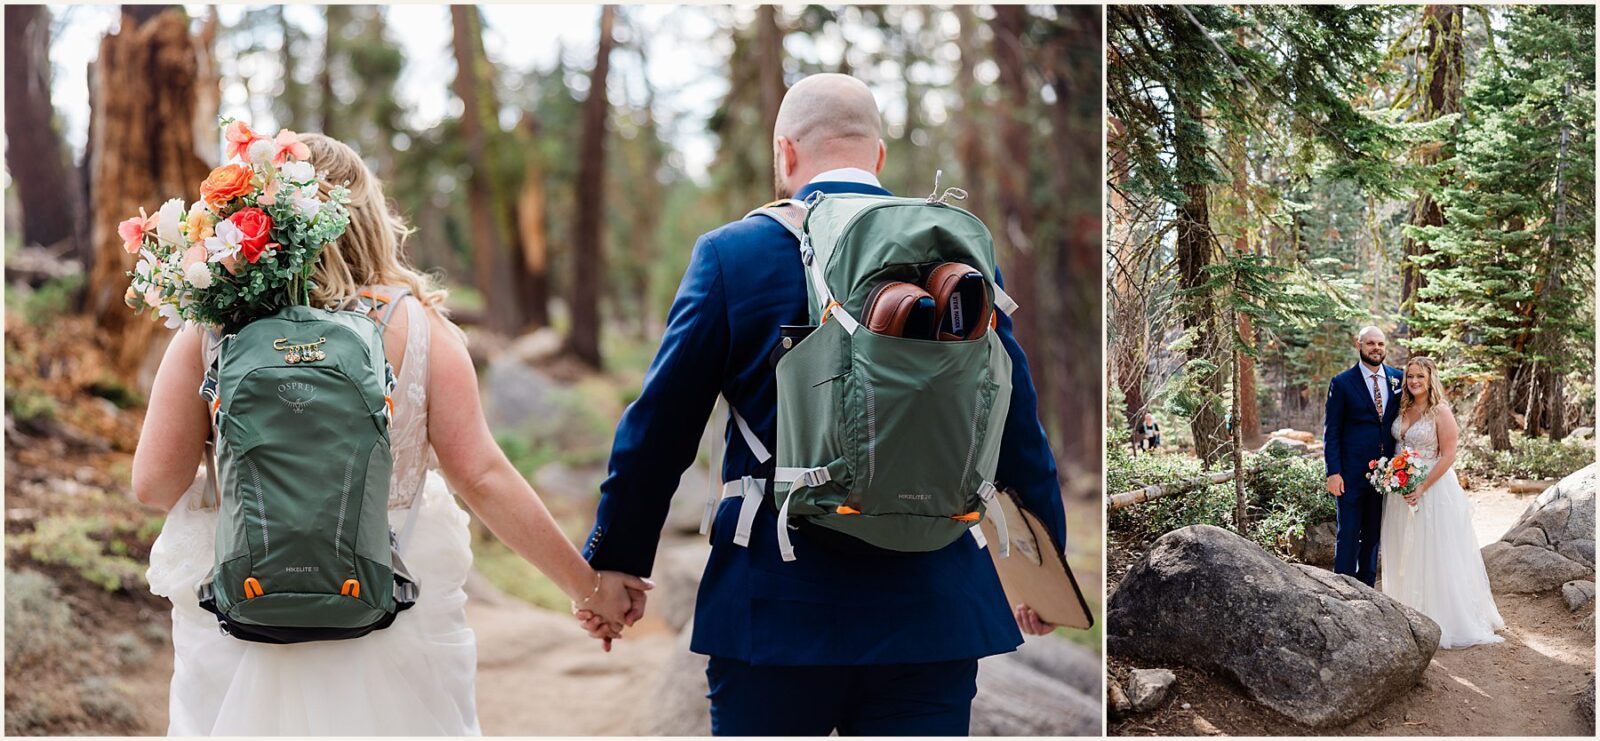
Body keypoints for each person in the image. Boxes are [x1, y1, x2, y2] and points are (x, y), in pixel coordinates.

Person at [572, 73, 1067, 736]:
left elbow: (660, 427)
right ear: (878, 157)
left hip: (776, 608)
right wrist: (1042, 569)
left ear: (785, 152)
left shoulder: (733, 256)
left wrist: (617, 562)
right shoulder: (956, 260)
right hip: (932, 609)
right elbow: (1015, 421)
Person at [133, 133, 647, 735]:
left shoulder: (215, 329)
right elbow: (482, 478)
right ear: (369, 217)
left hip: (248, 603)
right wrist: (588, 588)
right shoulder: (422, 329)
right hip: (389, 605)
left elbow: (153, 485)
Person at [1380, 356, 1505, 647]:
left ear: (1430, 379)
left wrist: (1422, 486)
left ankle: (1440, 617)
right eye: (1410, 376)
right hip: (1401, 487)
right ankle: (1406, 609)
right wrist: (1394, 476)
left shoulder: (1440, 411)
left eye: (1419, 377)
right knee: (1404, 549)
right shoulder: (1403, 407)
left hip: (1432, 489)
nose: (1413, 382)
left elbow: (1448, 454)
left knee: (1431, 550)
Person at [1322, 325, 1403, 587]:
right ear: (1359, 345)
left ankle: (1367, 589)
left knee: (1372, 535)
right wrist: (1333, 472)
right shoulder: (1342, 383)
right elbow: (1331, 431)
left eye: (1380, 344)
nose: (1376, 348)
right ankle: (1342, 587)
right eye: (1370, 344)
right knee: (1348, 533)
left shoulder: (1398, 379)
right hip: (1350, 473)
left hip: (1386, 475)